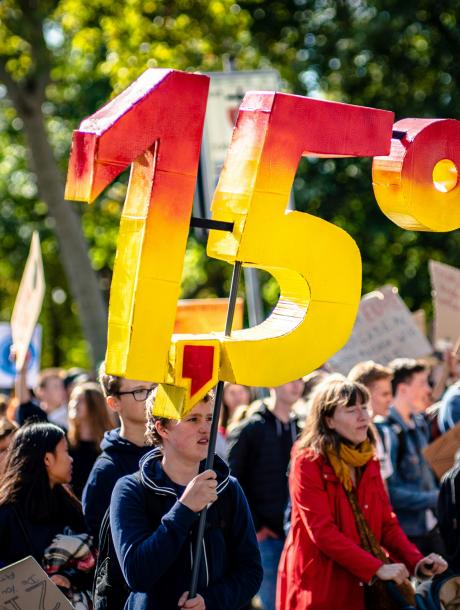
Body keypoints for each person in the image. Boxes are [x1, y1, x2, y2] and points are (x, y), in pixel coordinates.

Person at [277, 375, 447, 610]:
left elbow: (386, 523)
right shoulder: (308, 460)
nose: (363, 416)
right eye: (350, 409)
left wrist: (418, 562)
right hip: (322, 583)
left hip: (366, 583)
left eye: (364, 407)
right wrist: (376, 567)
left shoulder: (368, 456)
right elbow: (321, 531)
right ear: (329, 421)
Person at [110, 391, 263, 610]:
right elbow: (137, 574)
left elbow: (250, 571)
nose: (205, 428)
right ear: (162, 428)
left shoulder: (228, 488)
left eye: (210, 418)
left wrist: (210, 601)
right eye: (193, 419)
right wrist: (184, 510)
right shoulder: (131, 490)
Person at [228, 378, 303, 610]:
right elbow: (232, 482)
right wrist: (256, 526)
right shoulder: (251, 428)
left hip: (297, 535)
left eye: (300, 379)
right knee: (273, 604)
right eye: (290, 379)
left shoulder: (303, 428)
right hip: (265, 537)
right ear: (273, 382)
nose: (296, 385)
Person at [0, 422, 89, 587]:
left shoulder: (68, 505)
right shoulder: (7, 513)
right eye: (66, 451)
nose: (71, 459)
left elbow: (93, 559)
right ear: (47, 459)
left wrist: (69, 577)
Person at [82, 362, 154, 539]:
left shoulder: (174, 450)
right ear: (114, 403)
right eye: (139, 391)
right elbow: (99, 538)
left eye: (153, 388)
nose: (152, 397)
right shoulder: (106, 471)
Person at [380, 358, 444, 555]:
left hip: (431, 527)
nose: (428, 389)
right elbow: (389, 492)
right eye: (422, 383)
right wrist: (435, 498)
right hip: (407, 533)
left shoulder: (419, 424)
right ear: (403, 389)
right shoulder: (387, 431)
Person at [67, 381, 116, 498]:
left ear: (95, 406)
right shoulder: (65, 442)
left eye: (80, 400)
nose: (74, 404)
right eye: (73, 399)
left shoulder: (110, 445)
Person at [348, 361, 394, 481]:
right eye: (385, 394)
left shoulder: (384, 433)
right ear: (364, 395)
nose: (390, 399)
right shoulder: (349, 438)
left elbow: (384, 485)